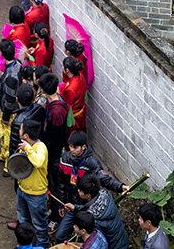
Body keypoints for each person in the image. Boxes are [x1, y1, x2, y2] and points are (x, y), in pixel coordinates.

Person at [56, 132, 126, 242]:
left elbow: (105, 179)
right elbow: (60, 183)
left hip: (88, 208)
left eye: (75, 147)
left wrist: (121, 186)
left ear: (84, 146)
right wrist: (60, 203)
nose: (72, 150)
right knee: (60, 236)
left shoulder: (92, 164)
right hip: (71, 205)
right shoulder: (65, 159)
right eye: (70, 146)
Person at [15, 120, 49, 248]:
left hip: (36, 195)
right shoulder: (25, 146)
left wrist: (28, 150)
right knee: (23, 220)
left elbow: (39, 162)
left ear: (26, 136)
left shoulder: (41, 148)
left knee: (39, 225)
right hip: (22, 190)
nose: (19, 131)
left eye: (20, 129)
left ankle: (42, 246)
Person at [77, 175, 129, 249]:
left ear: (88, 195)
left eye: (81, 190)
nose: (78, 190)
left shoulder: (94, 218)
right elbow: (92, 206)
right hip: (122, 240)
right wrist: (75, 207)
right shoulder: (106, 194)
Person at [39, 73, 68, 202]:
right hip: (52, 148)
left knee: (54, 181)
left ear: (43, 89)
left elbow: (55, 136)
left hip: (54, 152)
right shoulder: (54, 102)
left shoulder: (57, 112)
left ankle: (56, 211)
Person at [0, 38, 22, 166]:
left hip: (10, 111)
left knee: (8, 136)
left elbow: (10, 98)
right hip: (14, 107)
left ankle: (8, 164)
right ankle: (4, 155)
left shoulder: (10, 75)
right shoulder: (18, 65)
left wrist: (5, 115)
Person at [8, 83, 46, 164]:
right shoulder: (39, 108)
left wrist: (12, 160)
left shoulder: (18, 122)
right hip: (37, 146)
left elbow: (15, 144)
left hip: (25, 155)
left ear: (17, 99)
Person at [60, 58, 87, 133]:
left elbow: (68, 105)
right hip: (81, 111)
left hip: (74, 118)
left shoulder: (70, 89)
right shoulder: (80, 76)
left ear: (67, 70)